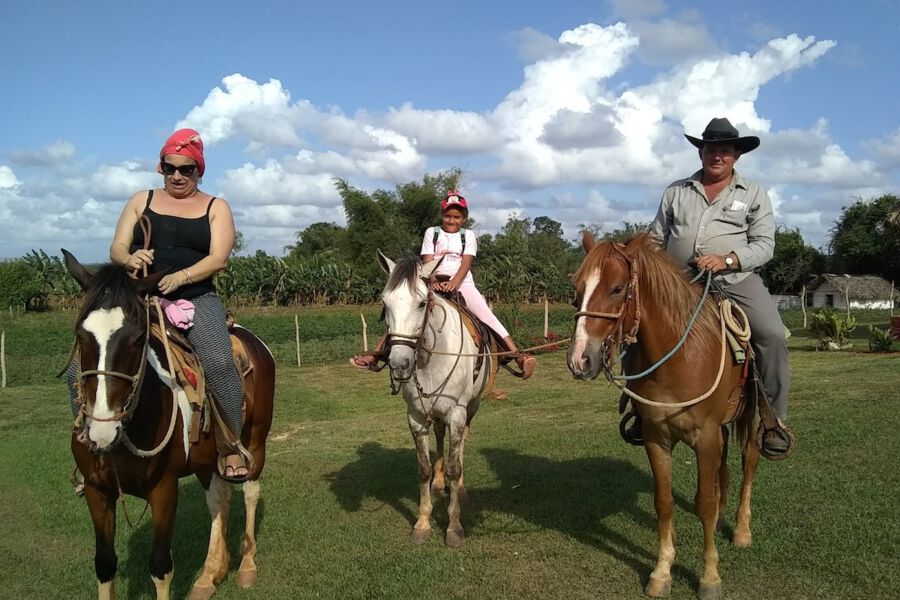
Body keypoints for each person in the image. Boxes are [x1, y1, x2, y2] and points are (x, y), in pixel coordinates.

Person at [80, 128, 248, 482]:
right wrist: (130, 258)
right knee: (79, 365)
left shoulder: (217, 207)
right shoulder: (142, 199)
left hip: (196, 297)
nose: (176, 175)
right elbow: (116, 248)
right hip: (139, 298)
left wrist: (182, 277)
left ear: (198, 170)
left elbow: (218, 258)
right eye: (169, 167)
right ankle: (87, 438)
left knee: (218, 362)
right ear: (160, 167)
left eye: (186, 169)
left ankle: (231, 444)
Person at [637, 117, 790, 454]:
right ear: (701, 153)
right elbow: (655, 238)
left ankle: (772, 421)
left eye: (724, 150)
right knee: (636, 325)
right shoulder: (676, 191)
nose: (716, 156)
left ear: (736, 155)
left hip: (734, 280)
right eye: (710, 149)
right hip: (678, 283)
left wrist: (729, 259)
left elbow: (765, 244)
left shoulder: (753, 193)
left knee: (772, 334)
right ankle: (640, 409)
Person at [351, 191, 536, 379]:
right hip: (433, 281)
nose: (452, 220)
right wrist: (433, 281)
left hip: (463, 283)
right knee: (405, 312)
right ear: (442, 216)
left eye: (457, 217)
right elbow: (428, 260)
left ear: (464, 218)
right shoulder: (432, 233)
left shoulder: (468, 236)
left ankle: (517, 356)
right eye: (448, 216)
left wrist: (454, 283)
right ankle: (376, 355)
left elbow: (466, 263)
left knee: (487, 316)